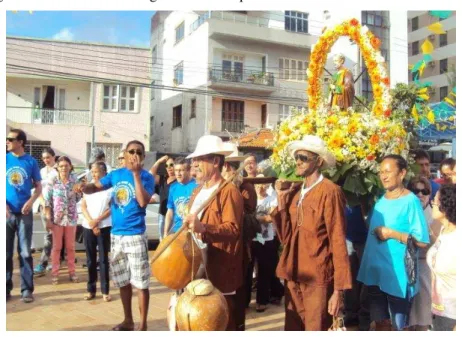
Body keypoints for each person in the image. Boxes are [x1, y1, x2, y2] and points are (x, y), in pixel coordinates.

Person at [272, 135, 352, 331]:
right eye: (297, 157)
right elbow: (284, 236)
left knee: (316, 327)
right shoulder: (296, 192)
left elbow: (338, 239)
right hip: (294, 273)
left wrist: (338, 291)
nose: (298, 161)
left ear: (319, 161)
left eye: (304, 157)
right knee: (293, 327)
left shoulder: (330, 191)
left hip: (318, 277)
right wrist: (282, 201)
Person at [76, 140, 154, 331]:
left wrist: (135, 174)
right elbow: (96, 187)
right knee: (122, 280)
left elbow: (143, 201)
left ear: (143, 157)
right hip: (116, 235)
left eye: (138, 152)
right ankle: (128, 320)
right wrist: (84, 188)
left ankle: (142, 326)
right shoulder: (116, 174)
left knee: (141, 283)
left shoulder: (146, 177)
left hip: (135, 234)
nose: (134, 154)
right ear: (125, 154)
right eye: (131, 151)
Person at [357, 155, 430, 331]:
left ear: (402, 173)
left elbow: (421, 241)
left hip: (397, 276)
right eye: (381, 172)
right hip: (375, 273)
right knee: (380, 324)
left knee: (398, 326)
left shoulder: (410, 201)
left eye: (388, 171)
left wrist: (391, 233)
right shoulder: (381, 199)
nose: (384, 176)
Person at [183, 135, 243, 331]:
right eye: (194, 159)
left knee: (223, 322)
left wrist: (204, 228)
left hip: (220, 268)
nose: (195, 164)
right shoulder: (196, 191)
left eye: (200, 159)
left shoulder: (229, 191)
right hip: (196, 264)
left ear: (216, 162)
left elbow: (233, 229)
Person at [222, 143, 257, 330]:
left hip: (241, 247)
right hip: (224, 248)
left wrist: (232, 189)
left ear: (228, 167)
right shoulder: (221, 187)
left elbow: (245, 213)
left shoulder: (246, 187)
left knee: (239, 291)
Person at [6, 129, 42, 303]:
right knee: (5, 253)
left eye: (10, 139)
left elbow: (39, 187)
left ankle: (27, 290)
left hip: (24, 213)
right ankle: (5, 289)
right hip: (6, 213)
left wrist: (31, 201)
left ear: (20, 142)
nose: (6, 141)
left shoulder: (31, 161)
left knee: (25, 252)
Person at [43, 156, 82, 285]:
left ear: (70, 167)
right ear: (57, 168)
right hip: (57, 219)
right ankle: (55, 273)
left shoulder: (74, 180)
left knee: (70, 247)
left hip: (71, 218)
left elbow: (78, 198)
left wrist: (79, 190)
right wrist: (48, 218)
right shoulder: (53, 181)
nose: (64, 168)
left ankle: (72, 272)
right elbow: (47, 201)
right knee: (56, 247)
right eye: (61, 166)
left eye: (66, 165)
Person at [81, 161, 112, 302]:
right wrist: (91, 222)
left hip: (104, 226)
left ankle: (105, 290)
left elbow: (111, 208)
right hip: (88, 226)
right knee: (90, 259)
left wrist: (97, 221)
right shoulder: (88, 188)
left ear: (104, 172)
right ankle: (91, 289)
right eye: (92, 172)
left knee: (104, 259)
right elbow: (83, 206)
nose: (94, 174)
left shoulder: (109, 188)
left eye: (96, 171)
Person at [427, 184, 456, 331]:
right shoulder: (443, 229)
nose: (432, 203)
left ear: (446, 205)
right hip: (438, 311)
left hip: (453, 317)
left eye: (435, 201)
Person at [251, 174, 282, 313]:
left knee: (265, 270)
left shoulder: (272, 199)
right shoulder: (252, 199)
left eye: (262, 184)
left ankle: (261, 301)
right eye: (257, 184)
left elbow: (271, 217)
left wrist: (254, 218)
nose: (259, 187)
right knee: (250, 270)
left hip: (267, 239)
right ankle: (278, 292)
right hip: (252, 239)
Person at [407, 176, 434, 330]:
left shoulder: (435, 215)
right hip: (406, 269)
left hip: (425, 270)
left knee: (423, 319)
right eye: (416, 191)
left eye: (425, 191)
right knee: (406, 320)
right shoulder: (405, 213)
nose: (420, 194)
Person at [343, 204, 370, 331]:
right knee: (350, 278)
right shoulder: (342, 186)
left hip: (366, 238)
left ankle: (364, 316)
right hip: (347, 237)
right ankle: (351, 314)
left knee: (365, 280)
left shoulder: (368, 187)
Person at [34, 147, 58, 277]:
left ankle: (51, 262)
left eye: (48, 157)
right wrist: (43, 202)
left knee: (55, 236)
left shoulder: (59, 170)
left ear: (54, 157)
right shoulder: (42, 171)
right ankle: (44, 263)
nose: (46, 160)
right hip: (45, 207)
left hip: (58, 208)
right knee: (49, 235)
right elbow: (39, 188)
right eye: (43, 158)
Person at [164, 157, 198, 236]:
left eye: (181, 170)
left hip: (193, 230)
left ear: (188, 171)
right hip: (177, 231)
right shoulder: (173, 187)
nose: (178, 174)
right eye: (176, 170)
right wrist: (165, 232)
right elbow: (170, 211)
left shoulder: (197, 186)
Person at [150, 155, 176, 241]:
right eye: (166, 166)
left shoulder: (180, 180)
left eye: (171, 165)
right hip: (162, 214)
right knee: (163, 241)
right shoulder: (163, 179)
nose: (169, 168)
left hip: (175, 216)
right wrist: (158, 162)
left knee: (174, 241)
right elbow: (150, 176)